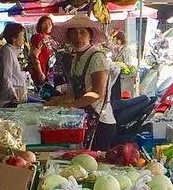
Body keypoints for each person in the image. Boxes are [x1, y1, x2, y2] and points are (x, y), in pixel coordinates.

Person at [48, 19, 117, 149]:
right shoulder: (76, 58)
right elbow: (73, 93)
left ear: (90, 36)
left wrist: (70, 106)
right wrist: (54, 103)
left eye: (83, 32)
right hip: (84, 120)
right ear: (68, 37)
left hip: (101, 122)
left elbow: (97, 93)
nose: (78, 37)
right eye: (73, 33)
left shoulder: (97, 57)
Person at [0, 21, 27, 106]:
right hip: (5, 101)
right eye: (22, 36)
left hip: (9, 99)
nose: (24, 39)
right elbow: (6, 77)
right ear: (14, 38)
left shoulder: (11, 51)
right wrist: (13, 97)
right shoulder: (7, 52)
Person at [27, 15, 57, 91]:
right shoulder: (39, 37)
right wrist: (40, 73)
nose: (47, 26)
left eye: (49, 24)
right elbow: (34, 55)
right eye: (44, 23)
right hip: (41, 74)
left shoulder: (50, 39)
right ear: (39, 25)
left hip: (49, 74)